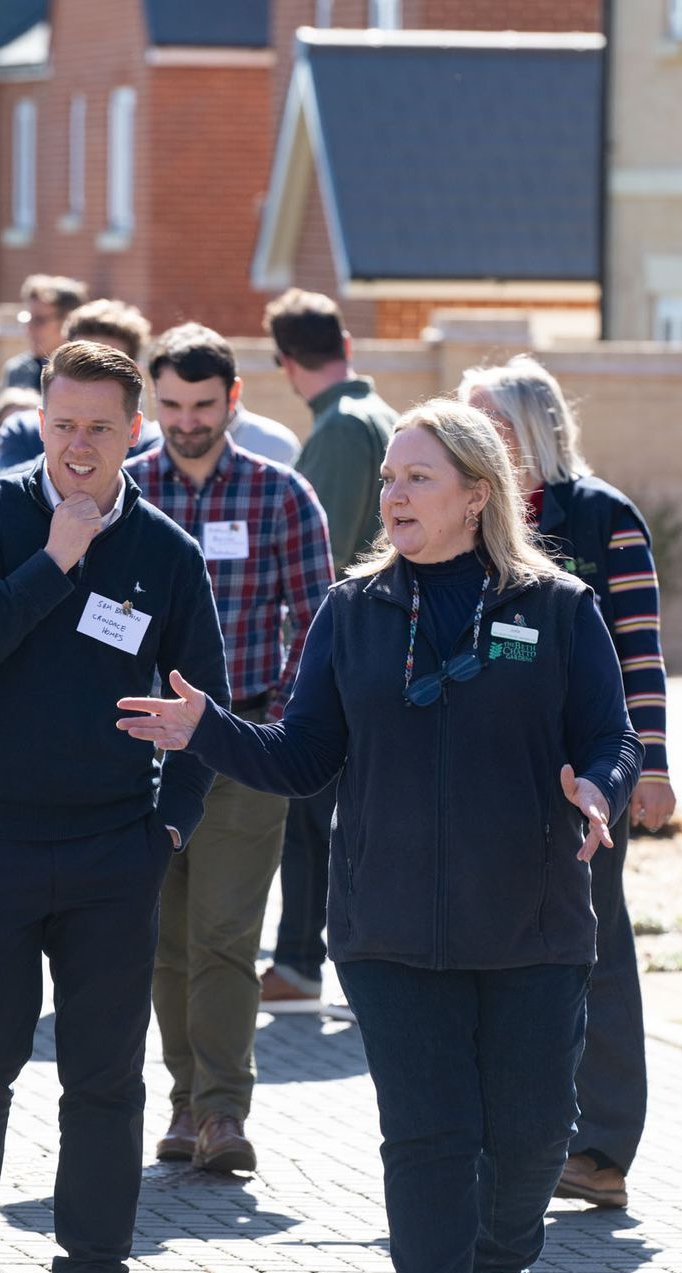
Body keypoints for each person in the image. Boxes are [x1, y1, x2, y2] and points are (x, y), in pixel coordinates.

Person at [116, 399, 639, 1273]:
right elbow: (303, 757)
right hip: (391, 934)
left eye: (417, 478)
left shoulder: (557, 607)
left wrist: (600, 787)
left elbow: (612, 737)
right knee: (430, 1141)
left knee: (530, 1141)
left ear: (477, 495)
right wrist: (206, 727)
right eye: (390, 478)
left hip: (533, 931)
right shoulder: (352, 611)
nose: (392, 494)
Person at [0, 341, 228, 1273]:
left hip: (109, 850)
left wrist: (173, 824)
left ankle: (95, 1255)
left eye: (98, 429)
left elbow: (203, 701)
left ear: (137, 431)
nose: (77, 448)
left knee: (103, 1074)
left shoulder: (166, 552)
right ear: (38, 422)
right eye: (61, 426)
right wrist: (54, 562)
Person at [458, 354, 673, 1210]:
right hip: (484, 781)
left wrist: (646, 765)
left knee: (596, 955)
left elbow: (640, 650)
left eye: (486, 423)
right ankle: (504, 1140)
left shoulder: (603, 517)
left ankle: (603, 1149)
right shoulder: (464, 518)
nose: (470, 437)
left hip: (585, 781)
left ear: (530, 430)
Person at [124, 323, 333, 1173]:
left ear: (234, 401)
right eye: (169, 405)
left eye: (202, 405)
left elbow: (317, 621)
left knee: (224, 935)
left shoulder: (282, 496)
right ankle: (181, 1102)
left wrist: (277, 720)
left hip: (243, 745)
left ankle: (223, 1112)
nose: (185, 421)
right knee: (163, 940)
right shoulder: (125, 493)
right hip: (140, 749)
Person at [258, 287, 395, 1010]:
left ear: (285, 362)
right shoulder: (374, 414)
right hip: (374, 648)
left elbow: (324, 561)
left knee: (310, 818)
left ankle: (301, 962)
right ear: (343, 343)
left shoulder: (341, 429)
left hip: (343, 655)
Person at [0, 298, 163, 474]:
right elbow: (2, 491)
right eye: (81, 362)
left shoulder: (152, 442)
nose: (91, 377)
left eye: (108, 368)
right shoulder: (23, 430)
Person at [0, 274, 87, 392]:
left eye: (39, 320)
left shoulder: (90, 372)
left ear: (68, 322)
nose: (29, 329)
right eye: (28, 319)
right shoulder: (19, 371)